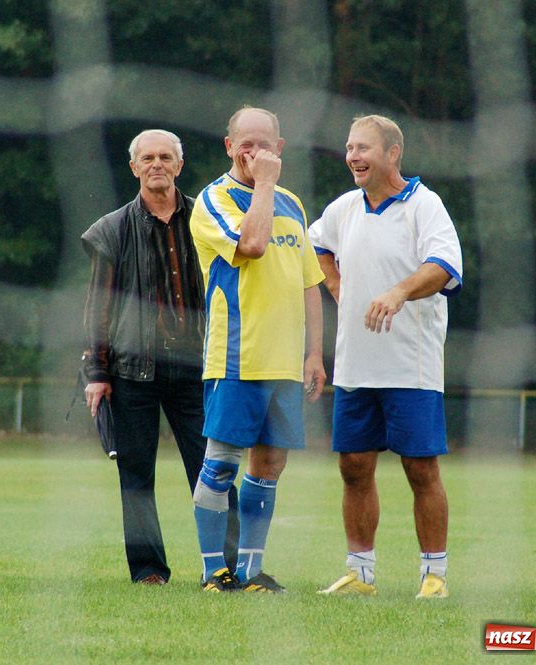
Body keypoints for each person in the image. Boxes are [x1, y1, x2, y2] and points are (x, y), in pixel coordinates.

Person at [309, 114, 463, 599]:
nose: (353, 156)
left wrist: (397, 293)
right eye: (350, 147)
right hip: (355, 363)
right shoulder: (344, 208)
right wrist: (336, 284)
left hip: (410, 366)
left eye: (364, 148)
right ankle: (360, 573)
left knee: (421, 469)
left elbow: (444, 267)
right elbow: (315, 245)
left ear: (392, 154)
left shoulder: (425, 205)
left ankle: (433, 575)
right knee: (354, 465)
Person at [81, 129, 239, 585]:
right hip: (133, 372)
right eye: (147, 157)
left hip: (197, 368)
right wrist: (97, 371)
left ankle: (226, 566)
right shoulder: (111, 229)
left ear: (179, 165)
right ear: (134, 168)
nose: (157, 164)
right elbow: (98, 305)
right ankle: (149, 570)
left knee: (214, 469)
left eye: (165, 157)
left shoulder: (206, 218)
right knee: (136, 477)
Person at [189, 107, 326, 593]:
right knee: (222, 462)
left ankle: (250, 570)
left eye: (263, 145)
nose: (254, 153)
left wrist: (314, 354)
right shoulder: (213, 201)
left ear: (280, 148)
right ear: (229, 146)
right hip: (236, 357)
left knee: (269, 466)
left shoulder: (292, 202)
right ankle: (213, 570)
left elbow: (312, 282)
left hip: (286, 363)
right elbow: (252, 245)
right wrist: (263, 184)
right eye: (245, 144)